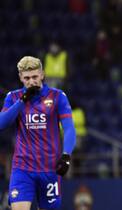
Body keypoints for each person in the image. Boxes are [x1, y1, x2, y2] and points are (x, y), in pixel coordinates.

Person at [0, 56, 76, 210]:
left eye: (35, 77)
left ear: (42, 75)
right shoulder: (13, 97)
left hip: (50, 168)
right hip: (23, 168)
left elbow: (69, 128)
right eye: (27, 78)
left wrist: (66, 155)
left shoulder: (57, 96)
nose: (31, 82)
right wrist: (23, 100)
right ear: (20, 77)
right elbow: (2, 123)